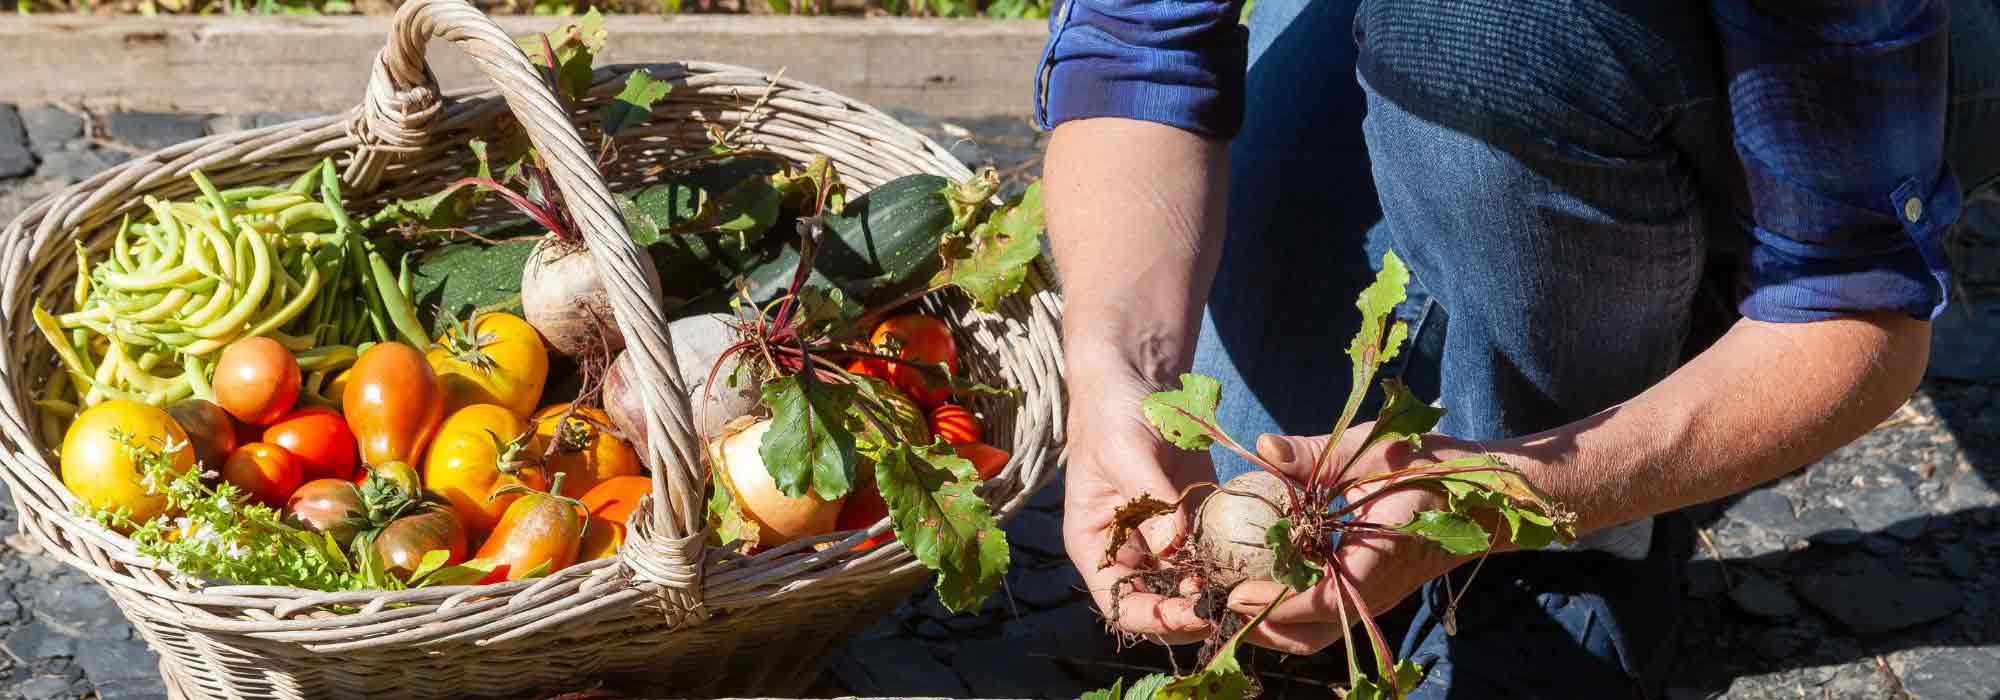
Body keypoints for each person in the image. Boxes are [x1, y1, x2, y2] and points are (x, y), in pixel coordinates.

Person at [1035, 0, 2000, 696]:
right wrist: (1120, 369)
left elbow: (1857, 308)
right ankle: (1581, 254)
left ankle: (1589, 537)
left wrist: (1505, 491)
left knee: (1486, 36)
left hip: (1854, 56)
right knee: (1257, 427)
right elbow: (1137, 49)